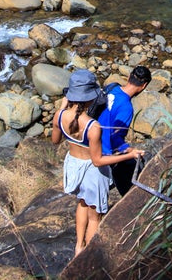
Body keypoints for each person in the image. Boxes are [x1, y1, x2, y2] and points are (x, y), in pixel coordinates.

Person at [51, 69, 144, 256]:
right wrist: (130, 155)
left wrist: (62, 107)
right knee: (95, 216)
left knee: (82, 203)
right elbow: (98, 160)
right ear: (90, 98)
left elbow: (55, 141)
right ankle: (87, 256)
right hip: (93, 172)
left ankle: (78, 246)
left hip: (73, 164)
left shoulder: (59, 115)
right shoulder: (93, 127)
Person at [98, 65, 152, 196]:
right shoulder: (126, 108)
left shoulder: (112, 88)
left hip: (92, 140)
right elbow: (115, 138)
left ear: (128, 77)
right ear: (144, 85)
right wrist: (130, 150)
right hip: (104, 150)